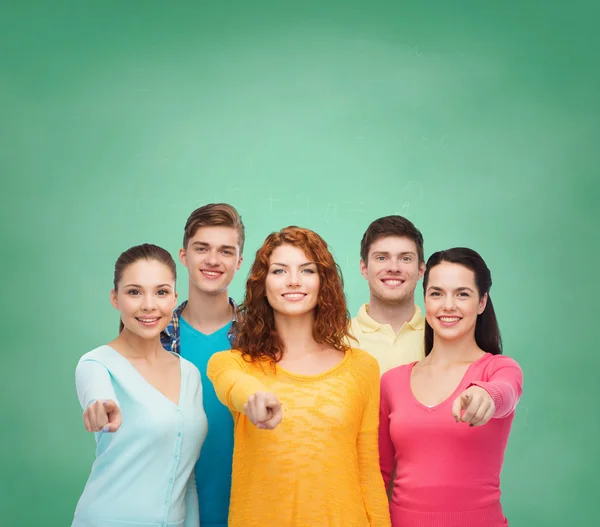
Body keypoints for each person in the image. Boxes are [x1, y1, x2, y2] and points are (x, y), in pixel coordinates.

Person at [207, 226, 391, 527]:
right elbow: (235, 387)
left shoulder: (362, 368)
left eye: (306, 270)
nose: (293, 281)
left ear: (323, 283)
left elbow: (368, 472)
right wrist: (254, 397)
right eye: (279, 271)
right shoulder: (233, 364)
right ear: (262, 285)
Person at [379, 247, 523, 526]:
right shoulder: (392, 382)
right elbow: (379, 473)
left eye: (462, 294)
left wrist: (485, 394)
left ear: (482, 302)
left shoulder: (498, 370)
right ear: (425, 300)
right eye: (436, 293)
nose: (448, 305)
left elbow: (505, 392)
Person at [73, 243, 207, 527]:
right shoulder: (96, 364)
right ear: (115, 298)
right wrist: (101, 407)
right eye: (134, 292)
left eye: (161, 292)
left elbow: (187, 476)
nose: (149, 305)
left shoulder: (190, 374)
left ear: (174, 298)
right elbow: (98, 397)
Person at [161, 203, 244, 527]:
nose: (212, 260)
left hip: (248, 510)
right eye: (202, 248)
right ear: (183, 255)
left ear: (238, 262)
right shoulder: (154, 334)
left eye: (225, 251)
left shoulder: (262, 338)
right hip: (172, 513)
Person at [351, 215, 426, 374]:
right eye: (382, 257)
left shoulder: (441, 336)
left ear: (420, 270)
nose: (394, 268)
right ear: (364, 268)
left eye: (405, 258)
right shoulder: (335, 339)